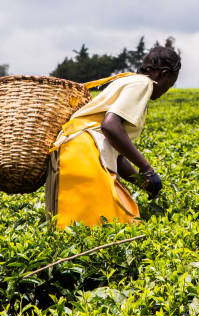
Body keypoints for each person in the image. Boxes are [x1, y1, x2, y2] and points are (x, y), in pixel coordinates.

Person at [46, 39, 181, 229]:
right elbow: (110, 127)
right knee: (115, 224)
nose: (167, 89)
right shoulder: (143, 84)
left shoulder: (128, 81)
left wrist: (142, 182)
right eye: (170, 84)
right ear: (163, 74)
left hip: (70, 152)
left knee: (69, 228)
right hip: (84, 153)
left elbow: (113, 151)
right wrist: (147, 169)